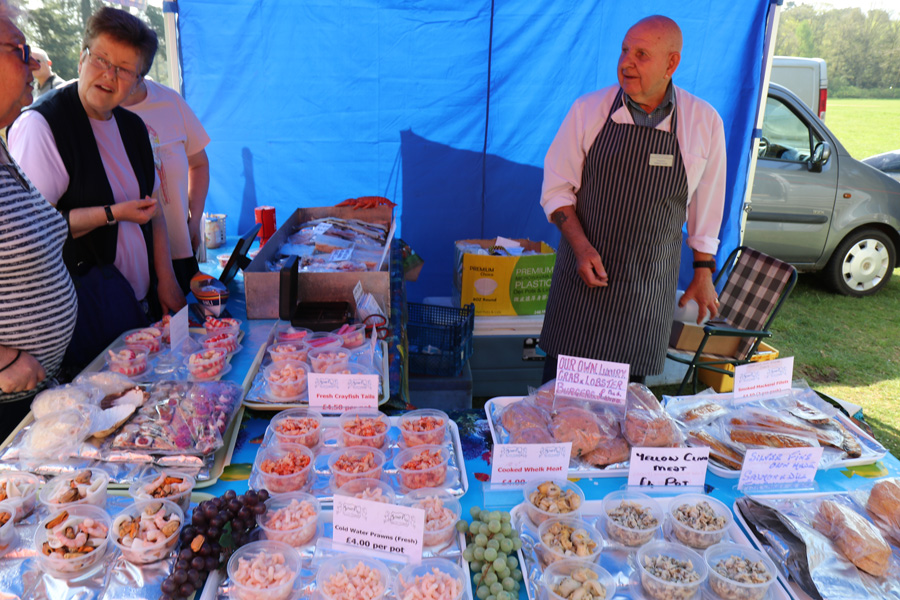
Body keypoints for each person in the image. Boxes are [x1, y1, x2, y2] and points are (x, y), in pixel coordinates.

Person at [538, 15, 727, 384]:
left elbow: (708, 201)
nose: (627, 62)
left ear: (671, 64)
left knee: (628, 413)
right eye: (625, 50)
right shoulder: (588, 110)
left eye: (642, 54)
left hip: (647, 287)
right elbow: (557, 190)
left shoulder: (703, 122)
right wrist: (580, 248)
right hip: (582, 281)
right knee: (558, 401)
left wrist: (703, 272)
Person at [8, 6, 185, 369]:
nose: (108, 75)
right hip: (86, 314)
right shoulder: (42, 126)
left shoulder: (133, 127)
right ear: (80, 58)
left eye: (124, 70)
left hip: (138, 306)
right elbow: (34, 234)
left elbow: (155, 211)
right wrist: (112, 214)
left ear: (138, 83)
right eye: (100, 59)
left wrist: (166, 279)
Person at [0, 0, 77, 438]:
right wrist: (4, 359)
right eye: (18, 49)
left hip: (37, 396)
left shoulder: (5, 147)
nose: (32, 61)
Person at [122, 78, 211, 294]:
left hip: (178, 254)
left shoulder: (170, 100)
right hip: (126, 268)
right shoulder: (95, 109)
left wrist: (194, 220)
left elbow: (199, 164)